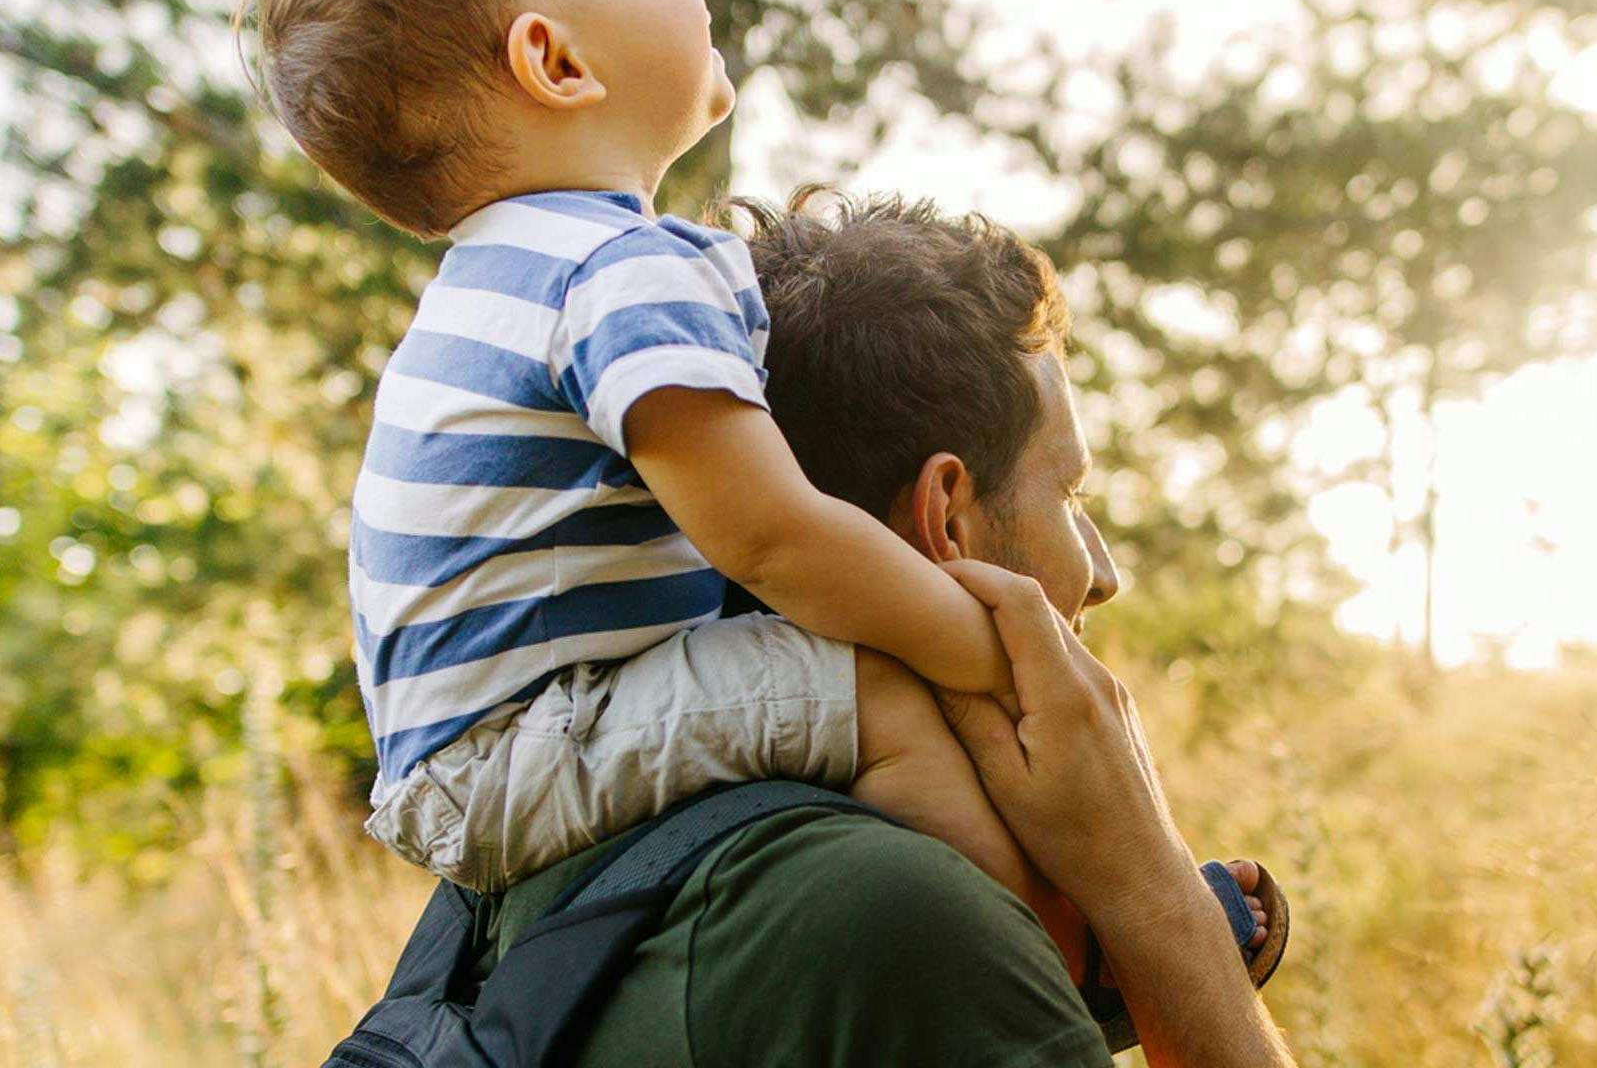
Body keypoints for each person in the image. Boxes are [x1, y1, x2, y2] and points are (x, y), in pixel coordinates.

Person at [233, 0, 1265, 1004]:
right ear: (555, 61)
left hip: (473, 753)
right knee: (878, 690)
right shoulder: (615, 266)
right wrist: (991, 649)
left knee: (838, 667)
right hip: (518, 750)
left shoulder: (500, 275)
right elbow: (772, 538)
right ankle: (1053, 959)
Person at [484, 190, 1299, 1067]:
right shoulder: (907, 921)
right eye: (1068, 495)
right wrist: (1153, 889)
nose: (1103, 573)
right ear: (944, 520)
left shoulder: (569, 821)